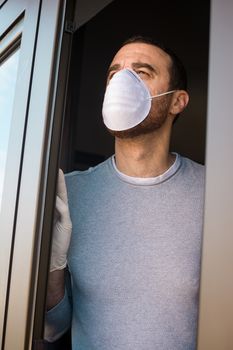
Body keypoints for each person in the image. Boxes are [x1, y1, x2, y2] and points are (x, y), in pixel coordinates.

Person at [45, 36, 205, 350]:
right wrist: (52, 266)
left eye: (142, 72)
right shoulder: (69, 194)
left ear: (178, 101)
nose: (122, 81)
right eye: (114, 73)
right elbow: (53, 329)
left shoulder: (218, 194)